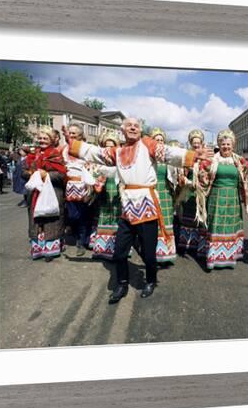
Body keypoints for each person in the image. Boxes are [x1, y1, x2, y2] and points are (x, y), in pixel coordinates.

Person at [65, 117, 210, 303]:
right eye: (129, 125)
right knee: (119, 252)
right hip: (127, 207)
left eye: (136, 125)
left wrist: (193, 155)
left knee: (149, 252)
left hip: (146, 205)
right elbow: (96, 153)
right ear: (122, 130)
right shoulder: (117, 151)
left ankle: (150, 280)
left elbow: (167, 152)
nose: (133, 127)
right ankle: (122, 284)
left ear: (140, 130)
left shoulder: (148, 144)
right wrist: (73, 144)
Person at [196, 129, 248, 269]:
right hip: (216, 198)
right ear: (219, 145)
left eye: (228, 144)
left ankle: (228, 255)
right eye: (223, 144)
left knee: (231, 227)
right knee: (215, 225)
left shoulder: (239, 160)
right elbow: (201, 176)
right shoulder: (211, 160)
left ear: (233, 145)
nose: (226, 147)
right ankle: (213, 258)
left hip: (233, 199)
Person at [23, 126, 67, 262]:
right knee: (37, 220)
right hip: (35, 193)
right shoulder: (32, 155)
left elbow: (61, 175)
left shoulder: (55, 154)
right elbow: (23, 171)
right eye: (40, 138)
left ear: (51, 140)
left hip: (52, 192)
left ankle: (51, 250)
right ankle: (39, 249)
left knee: (50, 219)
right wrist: (31, 174)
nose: (42, 140)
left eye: (45, 138)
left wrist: (46, 175)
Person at [62, 123, 95, 257]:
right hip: (69, 186)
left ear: (81, 135)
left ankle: (82, 242)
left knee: (83, 216)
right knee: (72, 215)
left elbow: (92, 168)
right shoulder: (64, 149)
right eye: (70, 132)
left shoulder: (86, 149)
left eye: (74, 133)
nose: (71, 135)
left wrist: (90, 188)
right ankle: (79, 234)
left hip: (83, 185)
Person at [91, 130, 121, 259]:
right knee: (103, 216)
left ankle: (117, 249)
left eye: (112, 145)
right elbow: (94, 174)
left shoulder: (120, 159)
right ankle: (102, 249)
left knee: (116, 217)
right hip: (103, 191)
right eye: (106, 145)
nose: (109, 148)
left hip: (117, 191)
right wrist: (96, 178)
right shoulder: (99, 160)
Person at [175, 129, 206, 255]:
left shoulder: (206, 158)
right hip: (187, 192)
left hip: (201, 193)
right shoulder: (186, 157)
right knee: (186, 217)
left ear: (202, 143)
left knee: (199, 219)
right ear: (190, 143)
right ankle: (185, 244)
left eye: (199, 142)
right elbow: (180, 174)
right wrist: (186, 181)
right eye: (194, 143)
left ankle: (198, 244)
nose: (196, 145)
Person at [150, 128, 178, 265]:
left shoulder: (168, 158)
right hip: (151, 192)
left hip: (166, 193)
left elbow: (174, 177)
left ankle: (166, 253)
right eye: (157, 139)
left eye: (161, 140)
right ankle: (152, 252)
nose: (159, 142)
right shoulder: (148, 156)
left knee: (166, 222)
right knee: (152, 223)